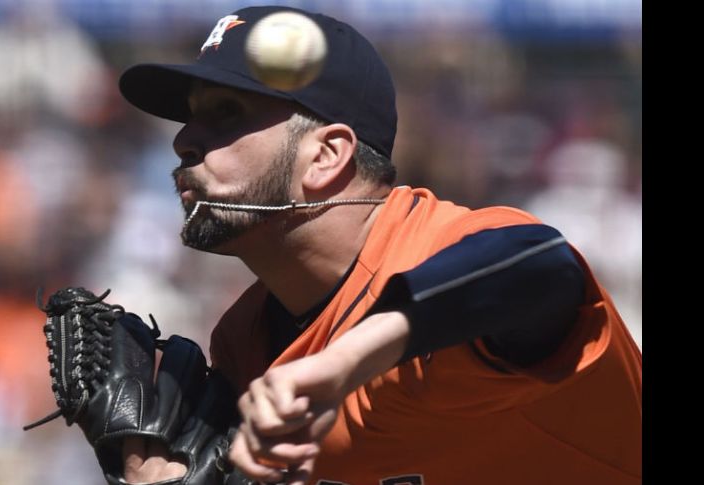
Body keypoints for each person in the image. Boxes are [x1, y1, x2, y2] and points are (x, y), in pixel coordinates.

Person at [114, 5, 641, 485]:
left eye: (226, 112)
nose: (185, 138)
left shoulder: (438, 249)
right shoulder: (245, 344)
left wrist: (351, 357)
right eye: (190, 114)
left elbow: (542, 267)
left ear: (326, 156)